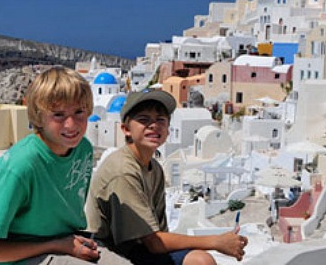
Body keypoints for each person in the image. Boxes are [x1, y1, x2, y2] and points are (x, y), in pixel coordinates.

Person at [85, 89, 248, 265]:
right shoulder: (123, 170)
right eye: (143, 120)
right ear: (125, 129)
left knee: (200, 261)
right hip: (108, 251)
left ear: (168, 130)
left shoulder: (154, 168)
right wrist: (216, 242)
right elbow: (155, 243)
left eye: (160, 120)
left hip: (137, 249)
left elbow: (160, 234)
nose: (153, 125)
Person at [0, 66, 101, 264]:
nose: (71, 124)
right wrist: (53, 244)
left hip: (66, 243)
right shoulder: (19, 167)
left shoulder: (83, 149)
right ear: (39, 116)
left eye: (79, 111)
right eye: (58, 115)